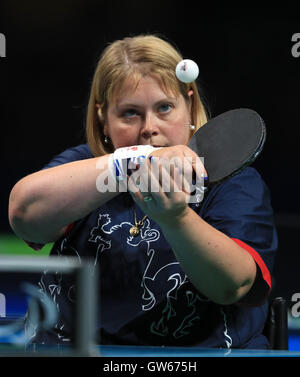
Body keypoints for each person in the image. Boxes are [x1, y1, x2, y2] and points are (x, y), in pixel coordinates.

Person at [8, 34, 277, 349]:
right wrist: (133, 161)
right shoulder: (85, 166)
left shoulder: (232, 182)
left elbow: (233, 286)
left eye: (164, 107)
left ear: (189, 106)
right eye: (130, 113)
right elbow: (24, 215)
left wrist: (176, 219)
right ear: (102, 118)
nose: (149, 127)